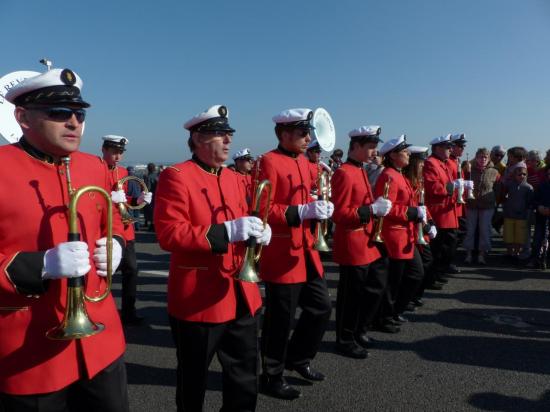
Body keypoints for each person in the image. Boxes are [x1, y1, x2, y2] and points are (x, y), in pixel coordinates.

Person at [0, 67, 128, 411]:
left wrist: (116, 243)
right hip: (29, 351)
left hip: (102, 342)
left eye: (79, 113)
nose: (74, 122)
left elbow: (112, 222)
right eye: (59, 113)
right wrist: (37, 265)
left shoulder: (94, 166)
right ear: (22, 117)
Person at [154, 105, 271, 412]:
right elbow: (169, 233)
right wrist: (224, 232)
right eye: (221, 134)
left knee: (245, 377)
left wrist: (258, 231)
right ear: (198, 138)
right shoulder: (176, 175)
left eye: (229, 134)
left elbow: (242, 221)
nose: (229, 141)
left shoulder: (233, 177)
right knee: (193, 381)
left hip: (241, 293)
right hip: (199, 298)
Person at [258, 108, 333, 400]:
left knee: (321, 307)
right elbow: (263, 208)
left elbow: (311, 196)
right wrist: (301, 211)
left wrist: (321, 206)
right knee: (281, 319)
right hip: (282, 251)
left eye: (309, 133)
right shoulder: (268, 161)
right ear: (284, 134)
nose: (308, 138)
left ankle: (298, 358)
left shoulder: (305, 162)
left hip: (306, 249)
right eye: (302, 133)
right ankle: (272, 375)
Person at [331, 125, 392, 358]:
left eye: (375, 147)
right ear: (355, 147)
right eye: (370, 147)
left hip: (366, 240)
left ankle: (359, 330)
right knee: (351, 297)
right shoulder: (345, 172)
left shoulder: (360, 169)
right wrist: (370, 210)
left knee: (372, 288)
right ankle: (345, 339)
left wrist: (377, 207)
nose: (374, 152)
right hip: (352, 242)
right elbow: (340, 214)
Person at [374, 135, 426, 329]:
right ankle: (385, 317)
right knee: (394, 281)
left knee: (414, 275)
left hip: (406, 233)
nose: (408, 155)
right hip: (394, 234)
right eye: (404, 152)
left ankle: (394, 311)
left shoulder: (399, 174)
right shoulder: (388, 175)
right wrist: (411, 212)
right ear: (393, 155)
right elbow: (386, 208)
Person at [101, 135, 152, 325]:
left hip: (125, 229)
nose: (117, 156)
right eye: (114, 152)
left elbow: (125, 200)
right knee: (104, 274)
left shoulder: (122, 171)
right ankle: (100, 312)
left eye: (120, 153)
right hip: (105, 229)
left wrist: (137, 201)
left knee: (132, 270)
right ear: (104, 149)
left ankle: (129, 311)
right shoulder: (95, 169)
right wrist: (108, 197)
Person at [423, 135, 466, 289]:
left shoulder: (442, 163)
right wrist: (452, 187)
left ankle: (437, 274)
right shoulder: (431, 163)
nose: (450, 149)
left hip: (448, 211)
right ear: (438, 148)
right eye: (447, 147)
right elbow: (433, 187)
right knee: (438, 248)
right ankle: (431, 278)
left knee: (447, 246)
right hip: (439, 212)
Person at [402, 146, 438, 308]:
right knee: (415, 269)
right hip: (410, 230)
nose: (423, 166)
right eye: (421, 163)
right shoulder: (407, 181)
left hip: (420, 229)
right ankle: (408, 297)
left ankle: (415, 294)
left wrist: (430, 223)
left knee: (427, 263)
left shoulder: (418, 181)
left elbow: (423, 206)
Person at [462, 148, 500, 265]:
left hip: (487, 205)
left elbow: (498, 188)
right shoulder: (469, 169)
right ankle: (468, 254)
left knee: (484, 230)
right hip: (471, 204)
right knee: (470, 229)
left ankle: (482, 254)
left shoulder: (494, 171)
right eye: (480, 157)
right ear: (476, 157)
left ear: (488, 158)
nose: (482, 159)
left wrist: (495, 201)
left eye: (485, 157)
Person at [501, 162, 534, 259]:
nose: (522, 176)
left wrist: (527, 215)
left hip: (522, 216)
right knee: (508, 236)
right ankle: (509, 253)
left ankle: (516, 254)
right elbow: (503, 196)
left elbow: (530, 204)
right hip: (509, 214)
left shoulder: (529, 187)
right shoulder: (509, 185)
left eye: (524, 174)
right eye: (519, 174)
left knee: (519, 238)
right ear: (514, 175)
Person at [143, 163, 158, 231]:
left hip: (150, 196)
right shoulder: (158, 175)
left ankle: (152, 225)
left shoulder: (148, 177)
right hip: (157, 195)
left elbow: (147, 188)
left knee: (150, 211)